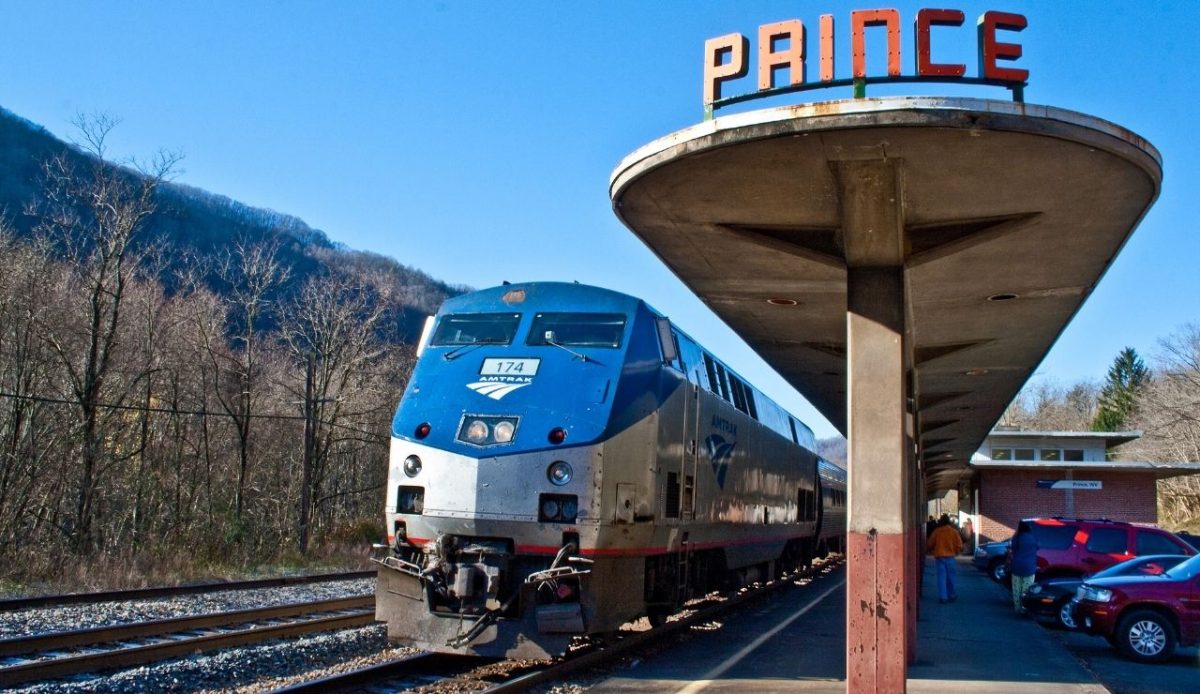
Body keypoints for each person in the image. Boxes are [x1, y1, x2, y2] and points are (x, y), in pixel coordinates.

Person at [926, 514, 963, 603]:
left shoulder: (937, 531)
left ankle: (943, 597)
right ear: (949, 522)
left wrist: (933, 550)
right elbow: (959, 545)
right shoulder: (954, 532)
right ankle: (952, 595)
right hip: (950, 557)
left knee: (941, 577)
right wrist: (956, 552)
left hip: (940, 557)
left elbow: (930, 544)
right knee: (951, 577)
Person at [1010, 520, 1039, 614]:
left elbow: (1013, 548)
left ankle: (1018, 608)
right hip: (1029, 567)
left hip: (1017, 566)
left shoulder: (1017, 538)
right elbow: (1038, 548)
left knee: (1016, 589)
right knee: (1026, 589)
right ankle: (1025, 607)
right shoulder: (1033, 537)